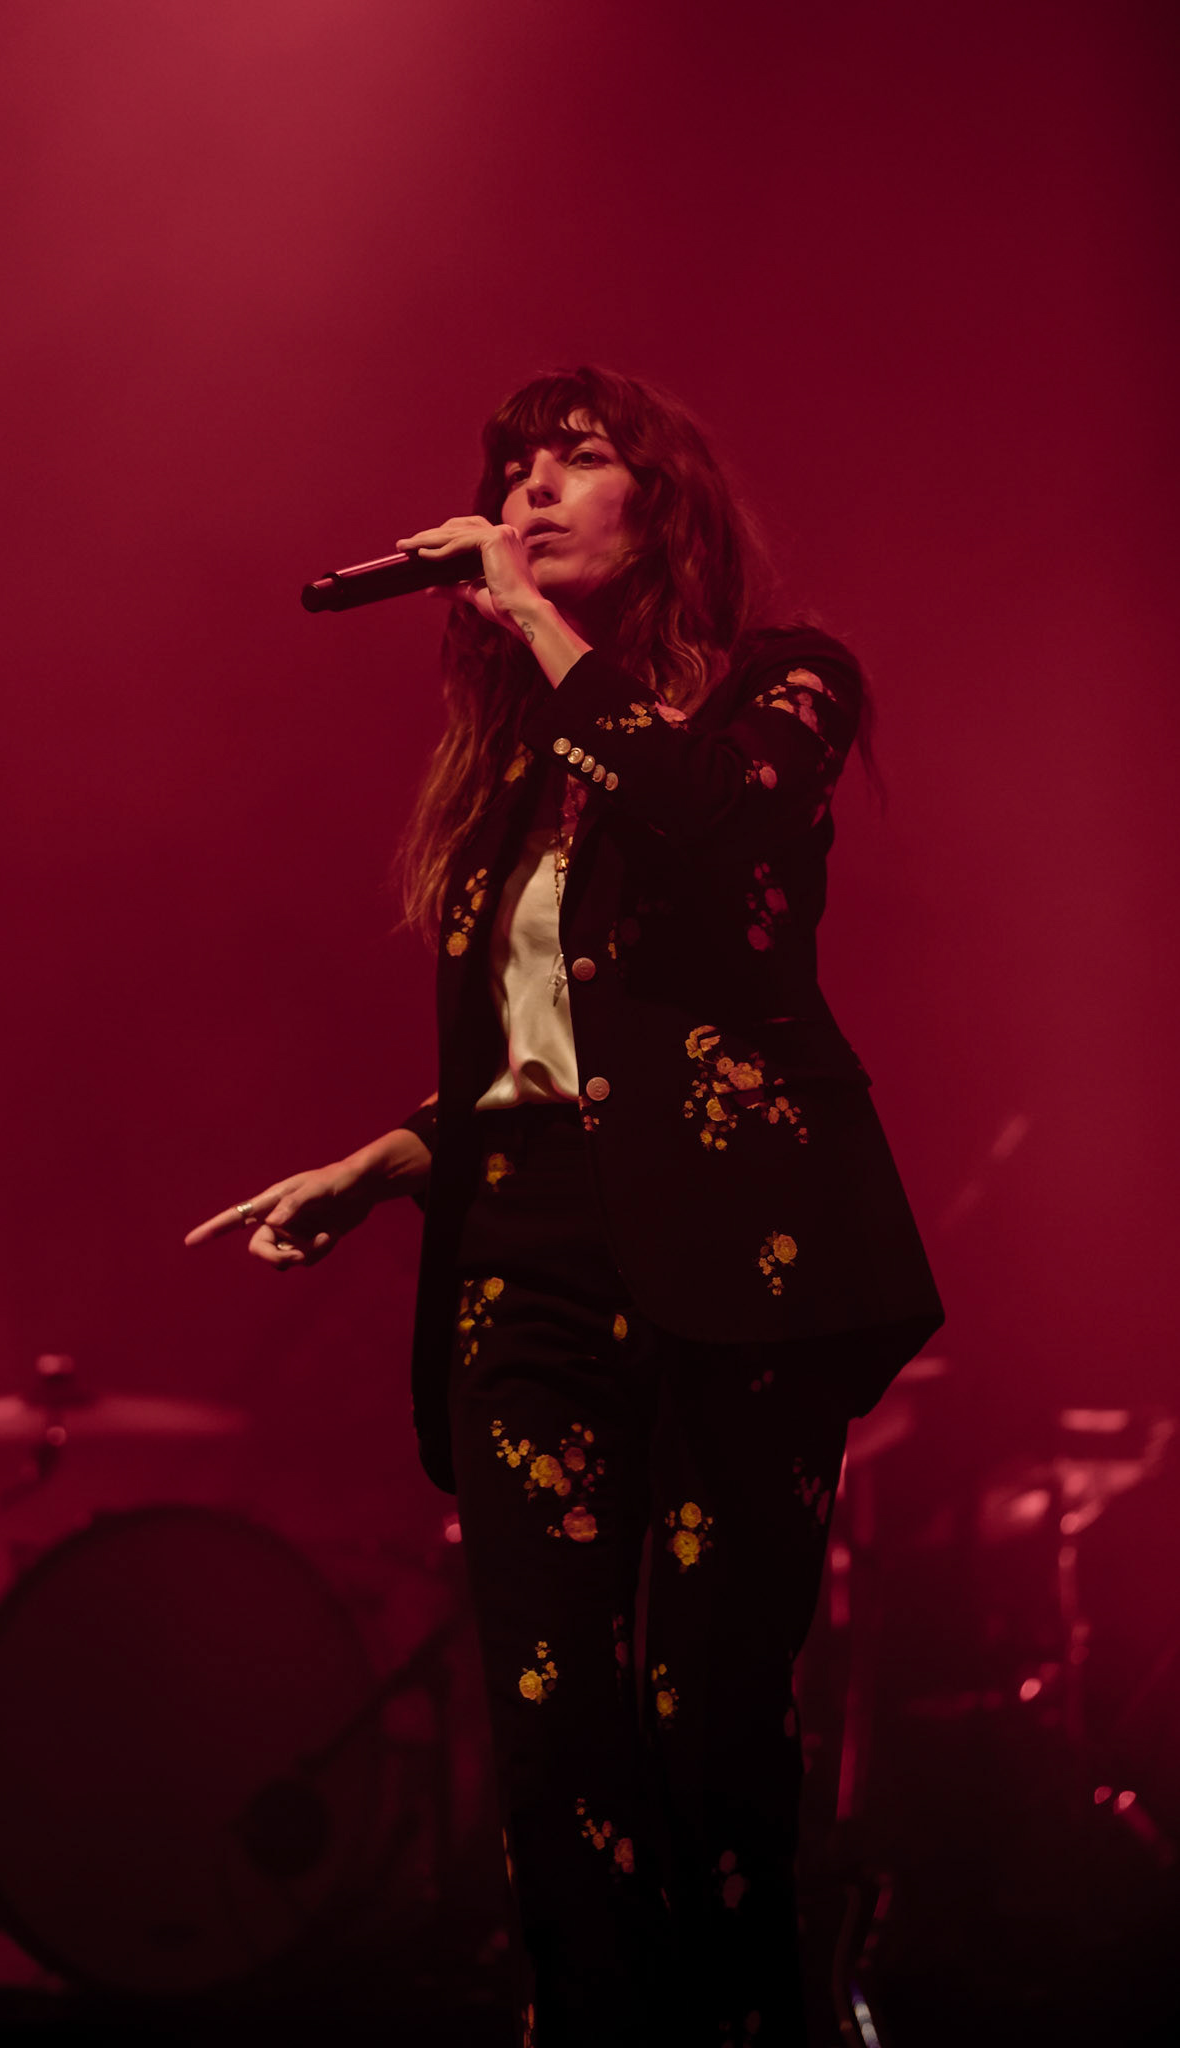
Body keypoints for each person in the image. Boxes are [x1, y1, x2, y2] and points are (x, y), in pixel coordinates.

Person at [186, 366, 942, 2046]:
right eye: (507, 471)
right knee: (550, 1716)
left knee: (708, 1714)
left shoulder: (785, 691)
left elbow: (701, 827)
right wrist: (390, 1159)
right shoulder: (522, 768)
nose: (524, 494)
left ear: (659, 504)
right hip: (521, 1259)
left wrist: (524, 620)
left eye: (571, 464)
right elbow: (552, 1050)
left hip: (744, 1263)